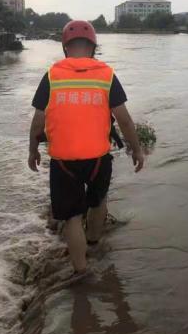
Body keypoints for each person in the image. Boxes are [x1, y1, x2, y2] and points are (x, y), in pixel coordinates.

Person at [28, 20, 144, 278]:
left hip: (63, 162)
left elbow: (39, 119)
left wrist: (32, 149)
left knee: (71, 218)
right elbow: (124, 119)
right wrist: (136, 149)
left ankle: (81, 270)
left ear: (65, 47)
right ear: (93, 47)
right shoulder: (107, 75)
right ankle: (94, 241)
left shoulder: (52, 75)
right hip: (98, 160)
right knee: (98, 201)